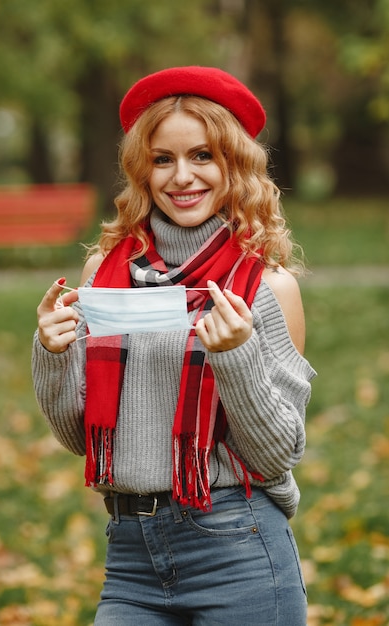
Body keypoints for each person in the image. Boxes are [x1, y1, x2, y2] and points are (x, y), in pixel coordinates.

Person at [32, 66, 316, 625]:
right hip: (131, 556)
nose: (182, 176)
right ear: (143, 169)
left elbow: (278, 452)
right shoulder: (104, 275)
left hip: (237, 547)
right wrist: (54, 354)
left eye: (203, 156)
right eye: (163, 159)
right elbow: (79, 438)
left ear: (235, 164)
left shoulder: (267, 288)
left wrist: (236, 355)